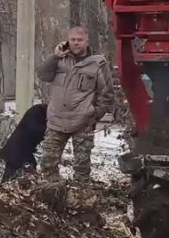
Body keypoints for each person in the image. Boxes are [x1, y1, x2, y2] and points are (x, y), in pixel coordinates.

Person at [35, 26, 115, 182]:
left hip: (82, 123)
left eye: (80, 40)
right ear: (67, 40)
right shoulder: (60, 60)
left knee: (82, 170)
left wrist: (93, 115)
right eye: (73, 40)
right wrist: (55, 57)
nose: (76, 43)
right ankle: (52, 200)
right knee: (47, 166)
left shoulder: (97, 64)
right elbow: (43, 75)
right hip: (56, 121)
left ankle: (79, 201)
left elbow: (107, 94)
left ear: (86, 42)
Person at [0, 103, 48, 182]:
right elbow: (33, 129)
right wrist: (49, 129)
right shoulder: (37, 111)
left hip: (24, 150)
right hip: (16, 150)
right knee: (10, 175)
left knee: (30, 169)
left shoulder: (41, 112)